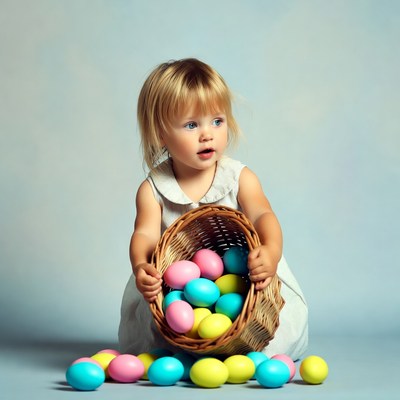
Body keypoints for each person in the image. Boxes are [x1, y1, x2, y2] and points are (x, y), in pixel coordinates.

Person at [119, 58, 308, 360]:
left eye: (217, 121)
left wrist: (271, 250)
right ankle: (192, 350)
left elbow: (263, 215)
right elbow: (143, 233)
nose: (207, 134)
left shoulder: (239, 178)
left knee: (274, 339)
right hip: (174, 293)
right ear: (161, 134)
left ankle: (242, 348)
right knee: (162, 344)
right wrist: (142, 266)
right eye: (191, 124)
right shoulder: (152, 189)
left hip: (249, 288)